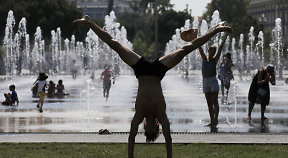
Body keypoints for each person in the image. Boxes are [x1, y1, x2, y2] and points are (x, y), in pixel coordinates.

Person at [73, 15, 232, 158]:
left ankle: (89, 23)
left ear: (144, 126)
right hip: (157, 71)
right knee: (186, 49)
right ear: (156, 126)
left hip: (141, 70)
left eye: (146, 128)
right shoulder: (161, 116)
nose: (148, 125)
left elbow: (131, 138)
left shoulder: (139, 115)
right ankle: (216, 30)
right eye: (151, 128)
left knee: (115, 44)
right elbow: (168, 139)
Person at [198, 33, 229, 128]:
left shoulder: (215, 60)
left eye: (214, 51)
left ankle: (216, 119)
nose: (212, 53)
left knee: (214, 101)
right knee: (209, 103)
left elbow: (220, 48)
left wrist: (225, 36)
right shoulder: (204, 58)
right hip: (205, 82)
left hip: (213, 81)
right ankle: (212, 121)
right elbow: (199, 47)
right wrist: (195, 37)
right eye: (211, 51)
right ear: (208, 51)